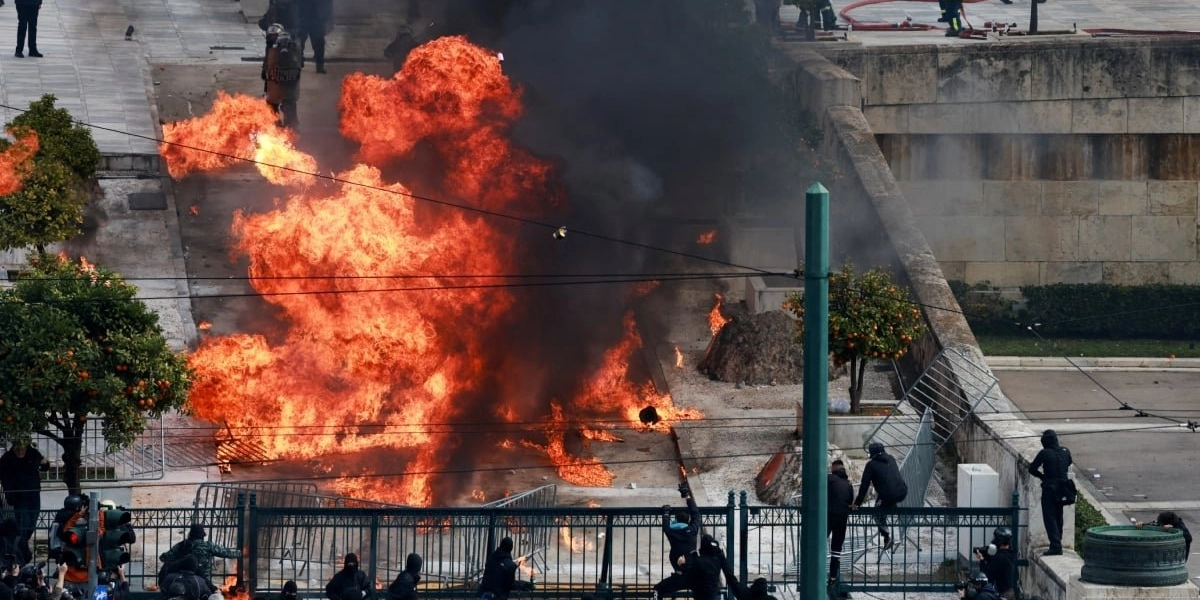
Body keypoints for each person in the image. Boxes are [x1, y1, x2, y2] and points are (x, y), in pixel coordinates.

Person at [851, 442, 908, 552]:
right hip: (902, 491)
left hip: (887, 495)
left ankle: (887, 537)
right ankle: (892, 508)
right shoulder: (891, 458)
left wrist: (857, 504)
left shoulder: (871, 465)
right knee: (884, 505)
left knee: (876, 514)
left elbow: (864, 486)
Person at [0, 441, 50, 563]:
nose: (21, 451)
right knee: (23, 523)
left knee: (32, 522)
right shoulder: (7, 458)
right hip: (19, 497)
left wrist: (45, 461)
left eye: (23, 448)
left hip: (33, 494)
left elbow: (45, 466)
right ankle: (21, 552)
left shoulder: (33, 454)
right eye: (18, 449)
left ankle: (21, 547)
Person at [652, 482, 701, 599]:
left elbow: (666, 527)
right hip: (694, 576)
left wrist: (665, 513)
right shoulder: (692, 529)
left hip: (680, 576)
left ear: (676, 520)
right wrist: (686, 495)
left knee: (658, 589)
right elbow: (696, 514)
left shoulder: (672, 532)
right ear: (687, 521)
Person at [1028, 429, 1072, 556]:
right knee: (1059, 514)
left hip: (1050, 487)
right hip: (1064, 487)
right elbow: (1069, 463)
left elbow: (1032, 469)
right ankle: (1058, 540)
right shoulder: (1065, 451)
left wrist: (1042, 477)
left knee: (1050, 516)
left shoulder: (1044, 453)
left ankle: (1055, 545)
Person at [160, 524, 242, 581]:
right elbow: (227, 553)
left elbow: (163, 558)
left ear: (190, 535)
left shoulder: (182, 545)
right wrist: (242, 552)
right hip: (204, 580)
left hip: (184, 578)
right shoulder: (208, 546)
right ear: (202, 536)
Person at [262, 29, 302, 128]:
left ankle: (288, 130)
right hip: (280, 89)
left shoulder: (289, 55)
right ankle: (282, 128)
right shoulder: (293, 52)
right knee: (279, 110)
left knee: (287, 111)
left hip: (286, 90)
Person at [827, 459, 854, 583]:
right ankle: (833, 576)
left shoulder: (828, 479)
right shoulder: (848, 484)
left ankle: (816, 572)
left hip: (827, 516)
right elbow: (850, 501)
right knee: (836, 548)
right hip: (842, 518)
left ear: (834, 468)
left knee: (819, 544)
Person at [677, 535, 724, 600]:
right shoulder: (717, 560)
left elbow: (690, 577)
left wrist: (682, 565)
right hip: (716, 595)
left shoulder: (699, 561)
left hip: (703, 596)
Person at [975, 527, 1016, 600]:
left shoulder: (1001, 557)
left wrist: (981, 559)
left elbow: (987, 573)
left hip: (1004, 594)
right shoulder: (1009, 553)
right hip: (1008, 592)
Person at [296, 0, 333, 73]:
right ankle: (299, 63)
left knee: (319, 42)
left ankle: (319, 65)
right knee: (299, 42)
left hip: (316, 17)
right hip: (303, 15)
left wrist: (327, 16)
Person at [48, 495, 84, 563]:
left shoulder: (61, 515)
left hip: (57, 547)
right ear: (77, 507)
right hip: (66, 547)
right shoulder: (71, 517)